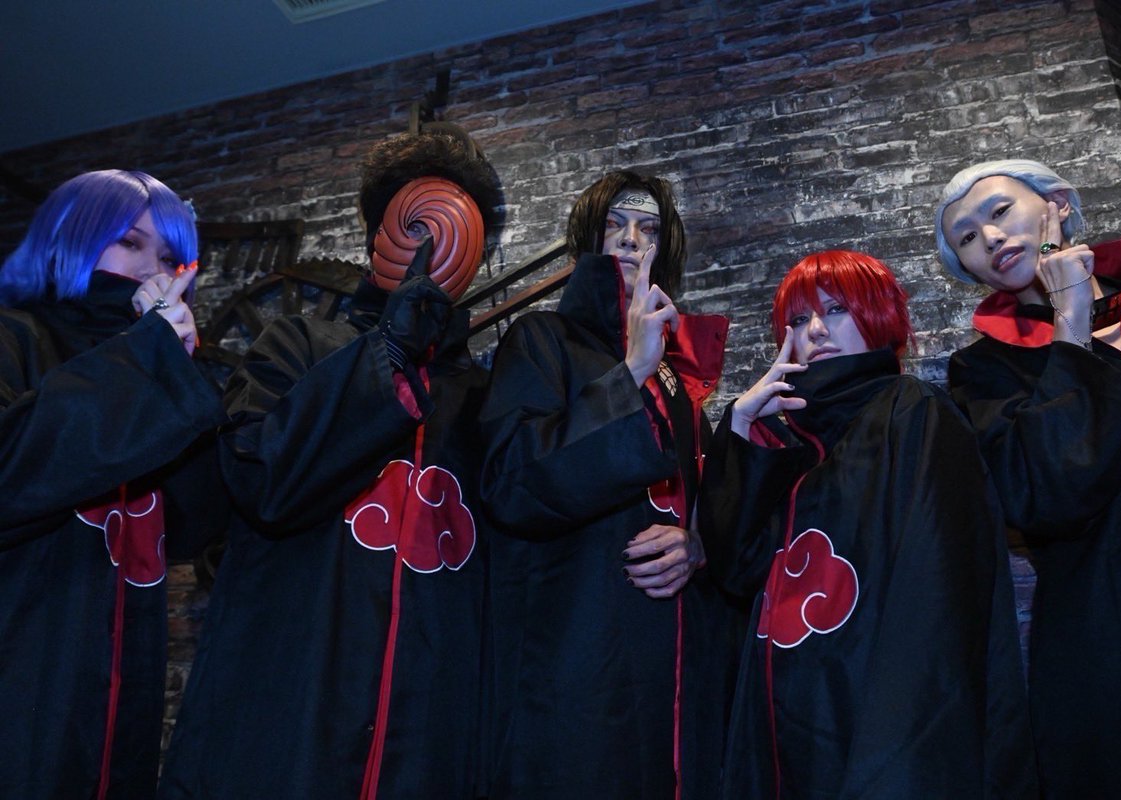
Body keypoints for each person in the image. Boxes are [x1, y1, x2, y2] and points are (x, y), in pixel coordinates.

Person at [159, 132, 501, 799]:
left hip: (427, 730)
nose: (435, 247)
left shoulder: (484, 399)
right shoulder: (297, 346)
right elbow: (261, 480)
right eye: (419, 225)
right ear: (382, 235)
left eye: (455, 231)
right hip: (290, 707)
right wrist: (387, 352)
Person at [698, 250, 1037, 799]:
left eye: (835, 309)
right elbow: (738, 571)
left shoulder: (913, 411)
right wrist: (739, 424)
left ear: (878, 315)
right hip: (785, 729)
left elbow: (938, 594)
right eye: (798, 319)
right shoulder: (789, 444)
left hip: (880, 722)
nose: (815, 330)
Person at [935, 159, 1121, 798]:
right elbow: (1045, 495)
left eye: (1000, 211)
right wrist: (1071, 317)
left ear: (1056, 203)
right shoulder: (984, 372)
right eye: (966, 238)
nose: (989, 237)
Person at [479, 170, 737, 800]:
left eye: (648, 229)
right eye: (614, 225)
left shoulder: (678, 384)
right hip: (578, 644)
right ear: (588, 241)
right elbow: (514, 482)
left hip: (673, 662)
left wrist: (698, 544)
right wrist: (630, 371)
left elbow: (701, 505)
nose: (629, 240)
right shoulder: (542, 341)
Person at [0, 169, 226, 799]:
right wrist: (146, 360)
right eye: (129, 242)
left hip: (119, 689)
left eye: (171, 258)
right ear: (70, 237)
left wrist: (179, 372)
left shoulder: (149, 362)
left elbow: (196, 524)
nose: (152, 269)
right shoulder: (13, 336)